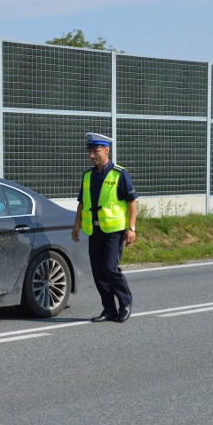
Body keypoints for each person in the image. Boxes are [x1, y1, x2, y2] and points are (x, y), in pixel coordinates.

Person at [71, 132, 138, 323]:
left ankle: (125, 303)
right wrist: (76, 225)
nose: (92, 155)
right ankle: (109, 309)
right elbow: (82, 203)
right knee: (98, 272)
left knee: (110, 268)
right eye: (90, 152)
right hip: (94, 231)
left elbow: (132, 202)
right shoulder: (87, 176)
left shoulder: (119, 174)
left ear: (106, 150)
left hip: (114, 231)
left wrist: (131, 228)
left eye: (96, 151)